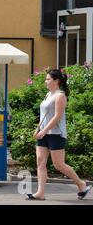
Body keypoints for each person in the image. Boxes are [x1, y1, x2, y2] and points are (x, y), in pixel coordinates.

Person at [26, 69, 92, 200]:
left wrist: (44, 131)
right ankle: (40, 193)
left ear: (56, 81)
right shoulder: (48, 95)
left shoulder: (60, 95)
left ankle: (81, 184)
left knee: (58, 164)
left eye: (48, 79)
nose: (45, 81)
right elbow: (43, 115)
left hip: (56, 134)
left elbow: (57, 116)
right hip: (43, 134)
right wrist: (38, 129)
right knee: (40, 162)